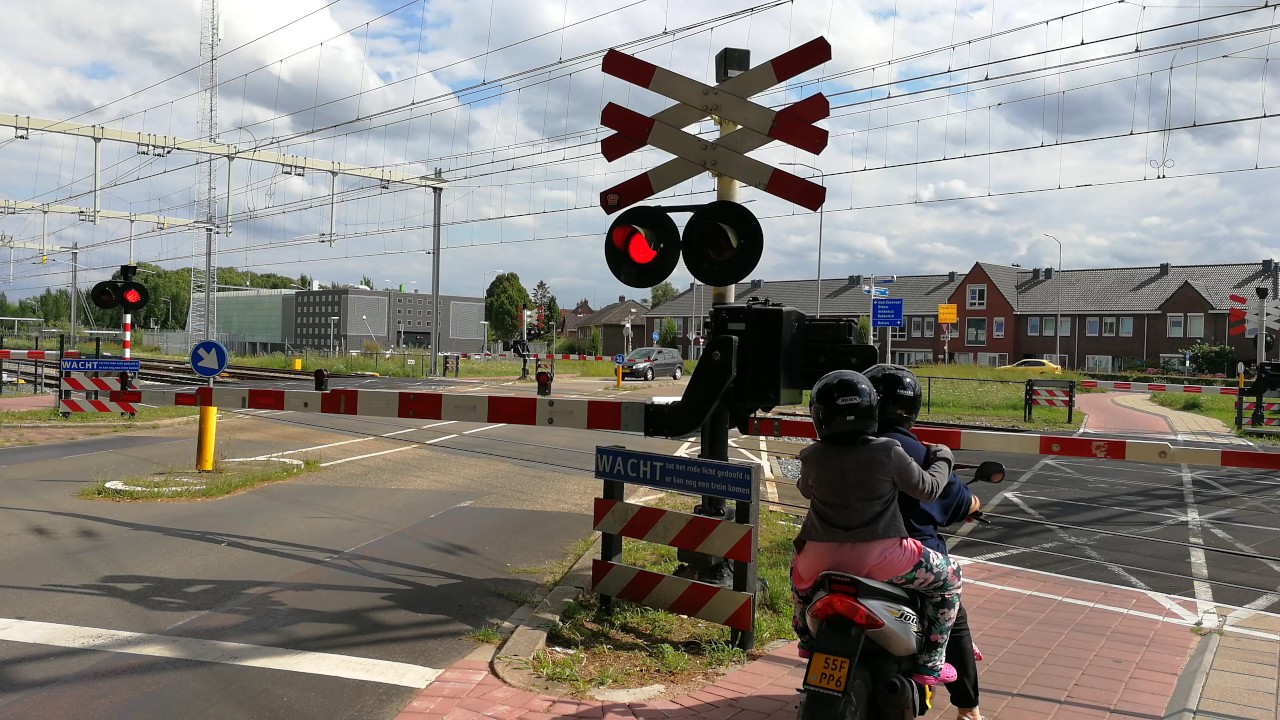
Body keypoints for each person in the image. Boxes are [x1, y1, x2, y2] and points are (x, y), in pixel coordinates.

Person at [791, 369, 965, 686]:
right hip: (883, 557)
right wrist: (943, 457)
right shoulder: (888, 451)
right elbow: (927, 489)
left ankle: (805, 638)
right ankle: (931, 662)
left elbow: (805, 489)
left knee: (798, 581)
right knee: (951, 579)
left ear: (819, 416)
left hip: (819, 558)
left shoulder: (812, 456)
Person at [865, 363, 983, 720]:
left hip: (845, 556)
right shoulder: (919, 454)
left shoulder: (848, 446)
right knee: (954, 615)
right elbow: (961, 502)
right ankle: (967, 708)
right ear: (912, 409)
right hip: (910, 559)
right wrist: (972, 503)